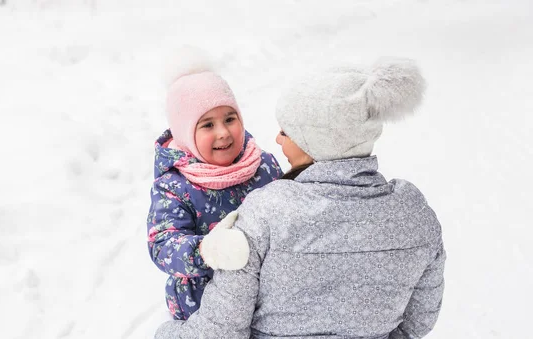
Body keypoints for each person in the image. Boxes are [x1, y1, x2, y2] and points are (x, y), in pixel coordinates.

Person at [154, 57, 446, 338]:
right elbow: (416, 322)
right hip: (197, 295)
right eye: (207, 124)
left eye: (286, 131)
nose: (278, 139)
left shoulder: (266, 203)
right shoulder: (414, 212)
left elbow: (222, 331)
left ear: (314, 140)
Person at [147, 47, 282, 321]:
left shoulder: (263, 164)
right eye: (207, 125)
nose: (223, 132)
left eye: (230, 119)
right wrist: (207, 250)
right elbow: (163, 245)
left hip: (267, 300)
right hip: (205, 307)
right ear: (185, 132)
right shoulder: (175, 186)